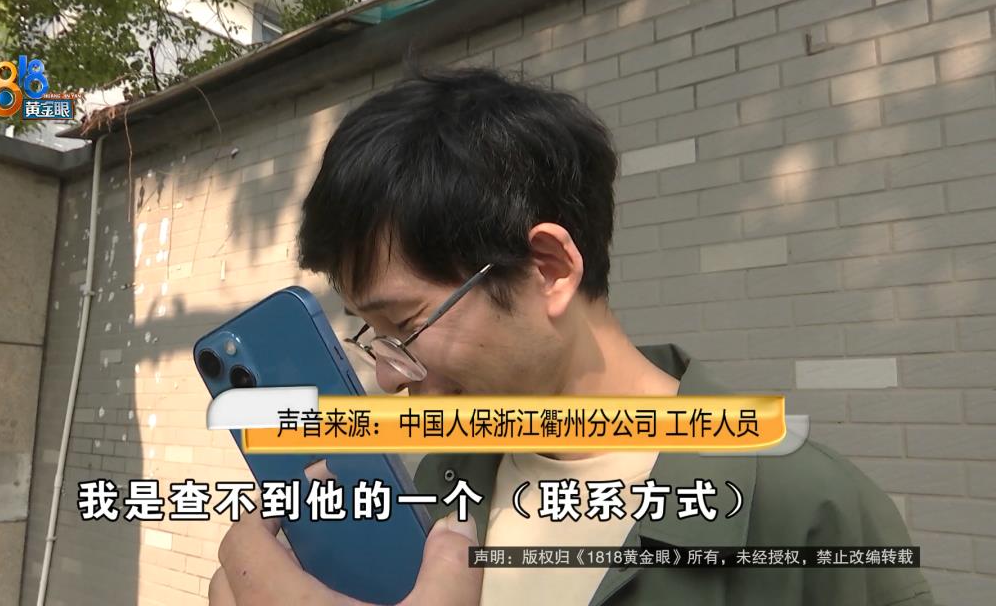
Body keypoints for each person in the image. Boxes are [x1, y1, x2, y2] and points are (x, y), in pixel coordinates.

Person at [209, 65, 935, 606]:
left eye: (406, 324)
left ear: (550, 268)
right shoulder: (441, 487)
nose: (392, 376)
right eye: (374, 335)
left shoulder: (805, 510)